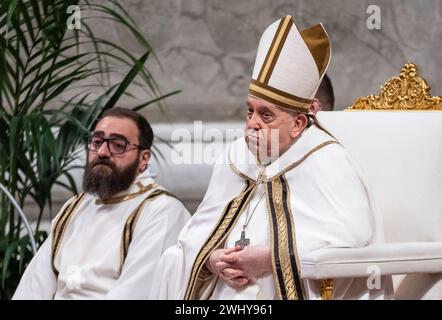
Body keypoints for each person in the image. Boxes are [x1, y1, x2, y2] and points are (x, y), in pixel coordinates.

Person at [150, 15, 393, 300]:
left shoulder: (326, 158)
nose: (252, 123)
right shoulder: (237, 155)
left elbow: (351, 237)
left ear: (299, 124)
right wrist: (212, 258)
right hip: (225, 288)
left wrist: (269, 259)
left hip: (290, 287)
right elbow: (200, 228)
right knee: (171, 258)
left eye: (266, 115)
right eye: (250, 111)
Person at [13, 107, 191, 299]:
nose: (103, 152)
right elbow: (34, 285)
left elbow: (136, 293)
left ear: (143, 159)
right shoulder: (75, 207)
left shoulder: (161, 210)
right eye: (97, 142)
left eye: (118, 145)